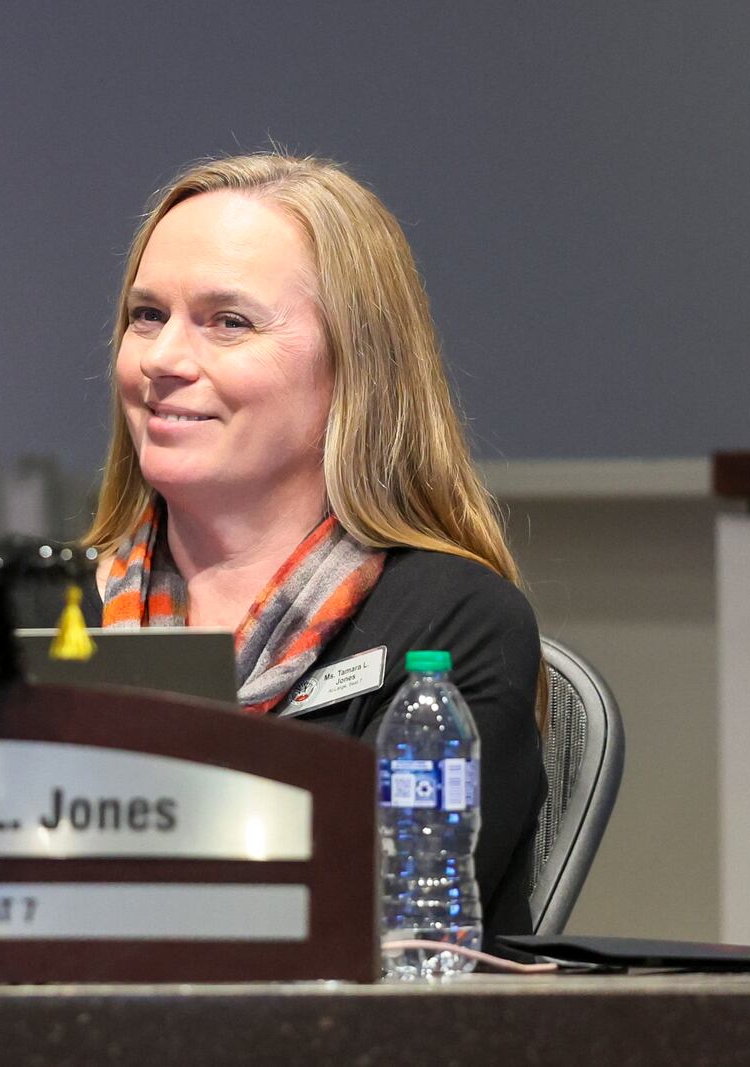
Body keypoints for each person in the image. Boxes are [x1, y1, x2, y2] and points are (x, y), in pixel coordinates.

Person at [83, 153, 546, 936]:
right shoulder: (42, 614)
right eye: (147, 315)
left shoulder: (451, 624)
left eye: (229, 321)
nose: (162, 359)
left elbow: (378, 929)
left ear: (353, 366)